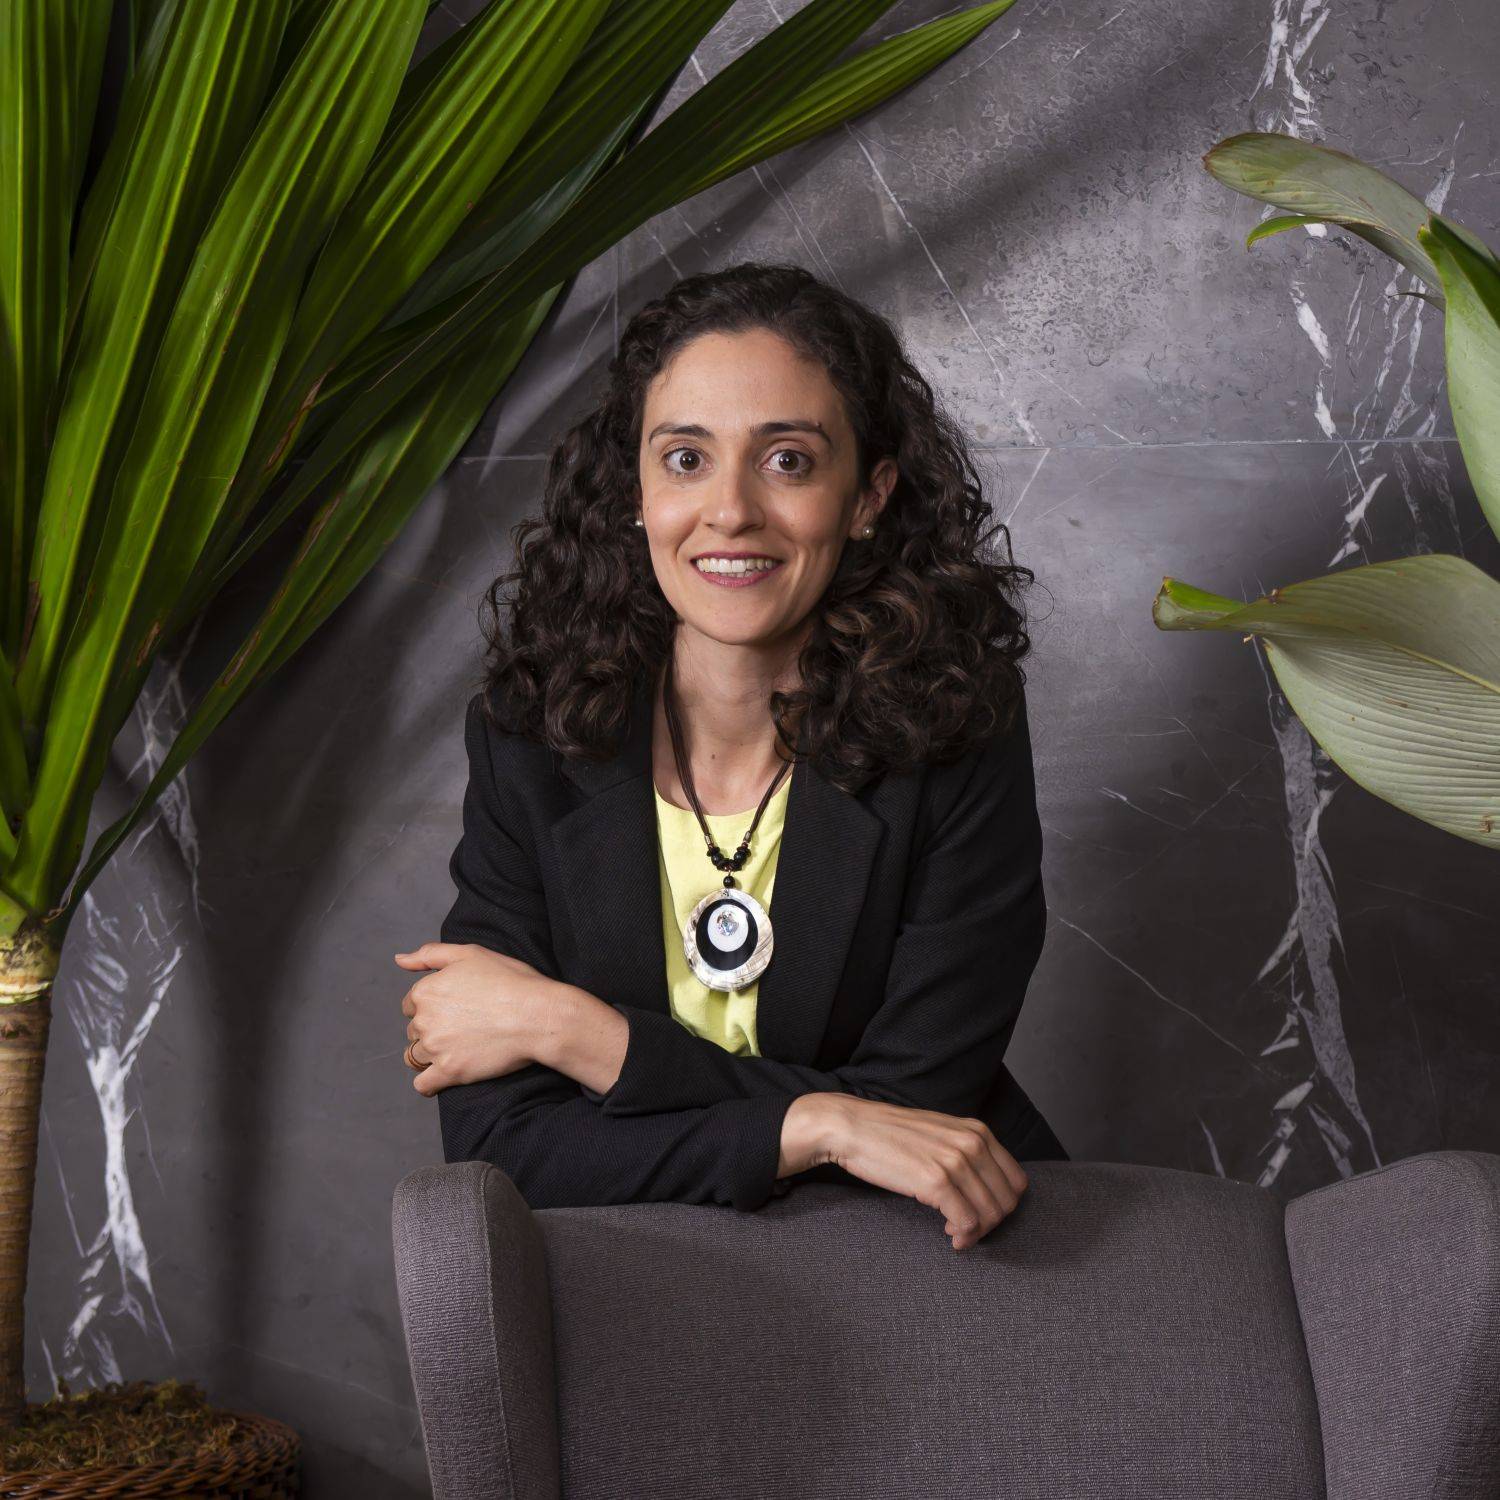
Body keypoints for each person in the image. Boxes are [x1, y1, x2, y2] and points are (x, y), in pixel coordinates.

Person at [394, 261, 1067, 1252]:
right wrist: (818, 1123)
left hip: (921, 1268)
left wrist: (583, 1037)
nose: (731, 511)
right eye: (685, 459)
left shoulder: (956, 732)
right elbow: (507, 1147)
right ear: (635, 489)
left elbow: (917, 1111)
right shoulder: (531, 736)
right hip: (642, 1284)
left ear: (869, 495)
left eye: (788, 461)